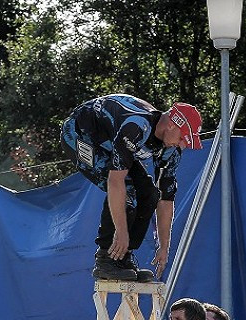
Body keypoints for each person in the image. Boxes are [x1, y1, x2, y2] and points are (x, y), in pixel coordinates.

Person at [60, 94, 203, 282]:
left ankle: (122, 257)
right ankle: (106, 257)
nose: (184, 144)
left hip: (111, 142)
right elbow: (115, 181)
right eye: (183, 137)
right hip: (80, 134)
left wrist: (164, 247)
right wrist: (121, 230)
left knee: (149, 193)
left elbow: (165, 198)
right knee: (127, 189)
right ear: (171, 124)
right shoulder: (136, 126)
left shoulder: (171, 148)